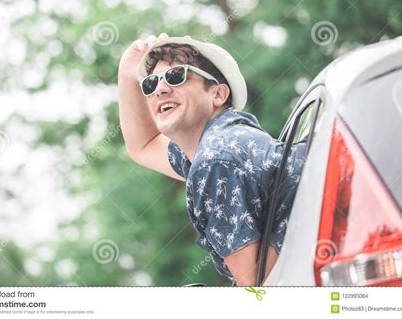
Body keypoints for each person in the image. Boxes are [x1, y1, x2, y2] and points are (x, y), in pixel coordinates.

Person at [118, 33, 305, 286]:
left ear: (218, 94)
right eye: (151, 84)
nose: (160, 89)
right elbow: (142, 146)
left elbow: (258, 286)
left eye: (176, 76)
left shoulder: (215, 160)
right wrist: (127, 73)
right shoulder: (221, 142)